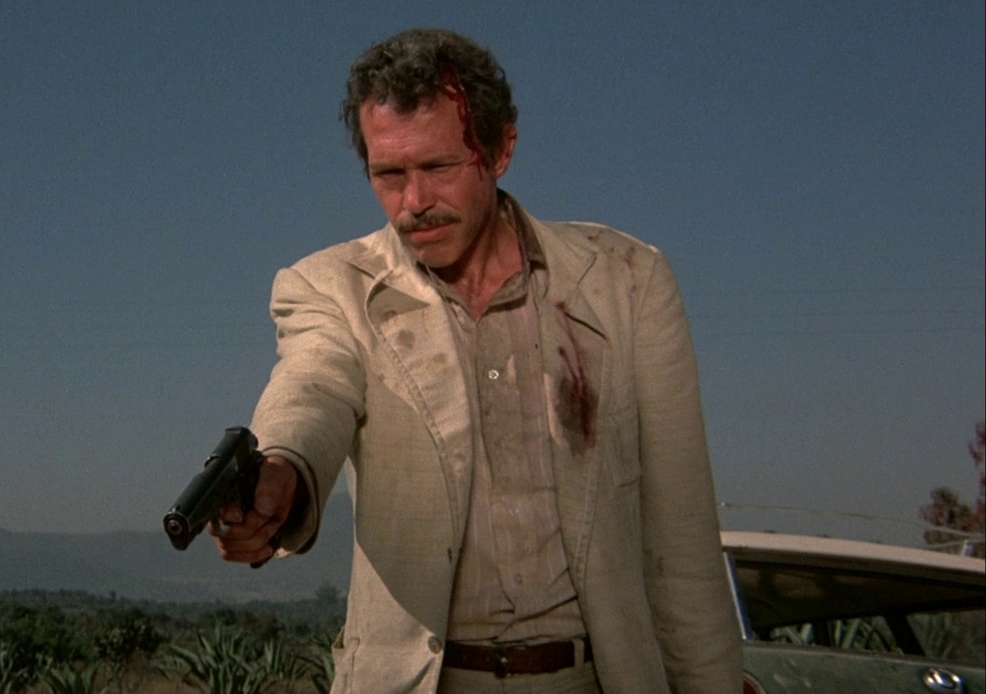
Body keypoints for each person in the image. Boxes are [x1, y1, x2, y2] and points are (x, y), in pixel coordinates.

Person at [210, 27, 743, 693]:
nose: (414, 203)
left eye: (439, 168)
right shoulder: (329, 287)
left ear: (500, 150)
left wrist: (713, 683)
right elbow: (311, 384)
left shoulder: (626, 282)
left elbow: (682, 537)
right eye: (388, 175)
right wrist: (281, 469)